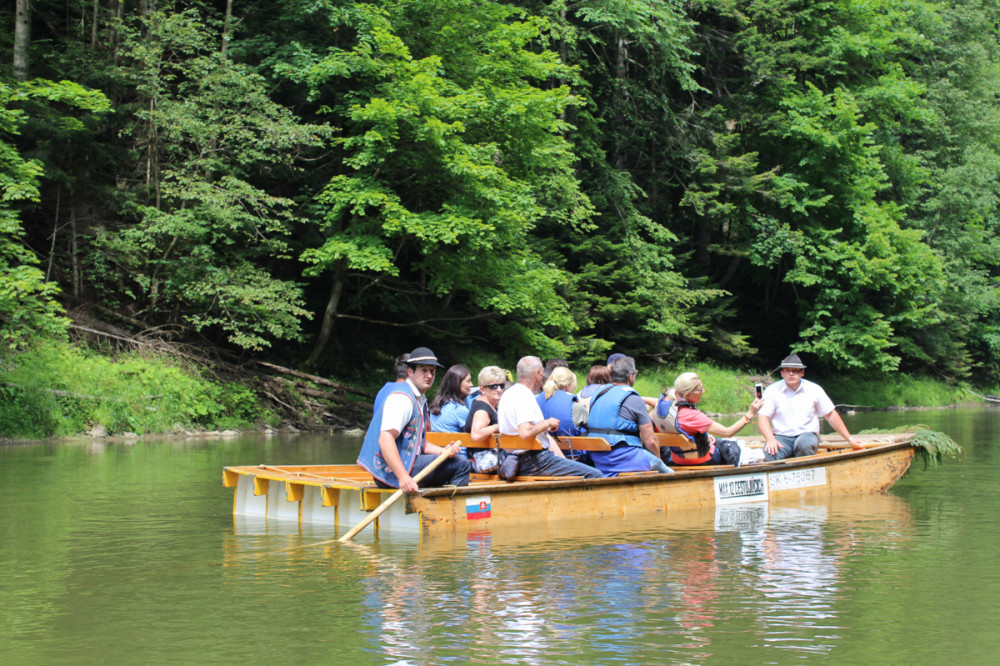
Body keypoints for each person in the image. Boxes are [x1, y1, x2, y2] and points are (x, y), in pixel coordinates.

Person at [357, 347, 471, 494]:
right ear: (410, 372)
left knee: (453, 462)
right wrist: (403, 477)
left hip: (402, 467)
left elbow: (419, 444)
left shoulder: (417, 398)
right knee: (462, 465)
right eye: (424, 370)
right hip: (390, 473)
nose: (429, 375)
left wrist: (444, 451)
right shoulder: (402, 398)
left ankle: (438, 505)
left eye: (432, 371)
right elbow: (385, 439)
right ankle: (454, 512)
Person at [497, 356, 603, 479]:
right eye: (542, 372)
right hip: (535, 461)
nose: (544, 377)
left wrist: (542, 427)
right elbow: (525, 432)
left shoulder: (508, 393)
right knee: (596, 475)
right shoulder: (524, 395)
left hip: (513, 460)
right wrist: (547, 422)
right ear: (537, 373)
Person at [756, 353, 862, 460]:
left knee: (804, 445)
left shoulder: (814, 389)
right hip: (781, 437)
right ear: (782, 373)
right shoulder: (772, 390)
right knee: (770, 453)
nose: (791, 374)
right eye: (788, 370)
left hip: (807, 434)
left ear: (802, 373)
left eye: (795, 370)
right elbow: (763, 416)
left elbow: (830, 415)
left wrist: (850, 439)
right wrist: (770, 439)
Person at [586, 356, 673, 476]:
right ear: (631, 377)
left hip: (598, 459)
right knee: (669, 472)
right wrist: (659, 460)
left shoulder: (598, 394)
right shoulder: (633, 399)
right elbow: (650, 440)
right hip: (623, 459)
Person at [655, 372, 762, 466]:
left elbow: (655, 403)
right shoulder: (693, 416)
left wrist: (640, 399)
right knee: (735, 448)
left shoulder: (664, 405)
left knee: (717, 440)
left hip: (678, 459)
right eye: (700, 390)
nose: (703, 391)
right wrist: (749, 415)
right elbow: (728, 432)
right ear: (687, 394)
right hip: (703, 459)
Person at [463, 365, 506, 472]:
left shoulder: (490, 405)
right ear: (482, 389)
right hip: (485, 464)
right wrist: (497, 426)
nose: (499, 389)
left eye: (502, 385)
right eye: (494, 386)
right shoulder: (482, 408)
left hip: (491, 461)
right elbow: (476, 434)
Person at [429, 364, 472, 432]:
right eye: (468, 381)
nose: (471, 385)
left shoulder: (437, 405)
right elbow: (475, 436)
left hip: (436, 442)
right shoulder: (460, 410)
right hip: (452, 442)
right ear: (457, 383)